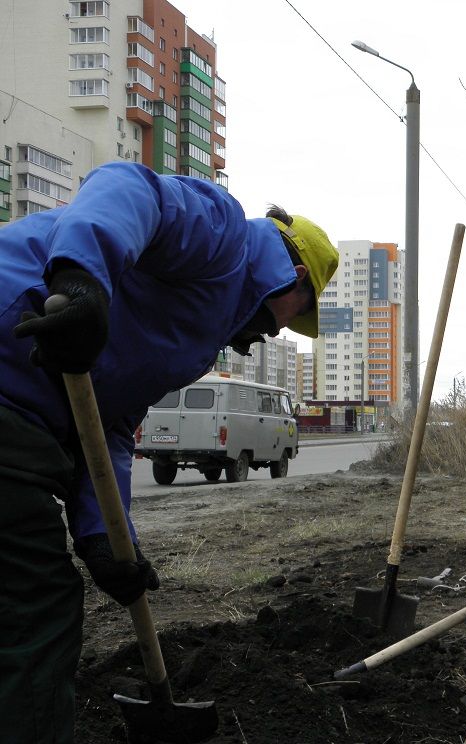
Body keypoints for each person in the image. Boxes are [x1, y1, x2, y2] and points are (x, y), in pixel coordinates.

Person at [0, 161, 339, 743]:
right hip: (11, 363)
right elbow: (127, 187)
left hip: (27, 412)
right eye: (295, 318)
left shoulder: (199, 340)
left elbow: (110, 422)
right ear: (295, 277)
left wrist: (107, 538)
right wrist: (81, 281)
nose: (279, 334)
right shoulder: (225, 238)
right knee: (32, 605)